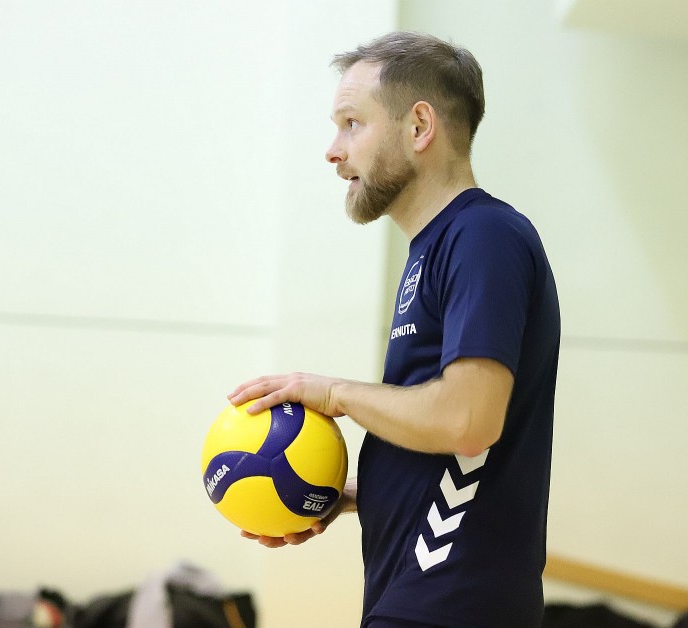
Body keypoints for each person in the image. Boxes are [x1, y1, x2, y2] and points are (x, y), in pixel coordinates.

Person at [228, 31, 560, 628]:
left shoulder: (483, 237)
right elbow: (455, 445)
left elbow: (467, 421)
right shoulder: (437, 248)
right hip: (424, 595)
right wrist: (341, 494)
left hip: (449, 600)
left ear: (419, 127)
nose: (333, 151)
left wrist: (334, 394)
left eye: (352, 123)